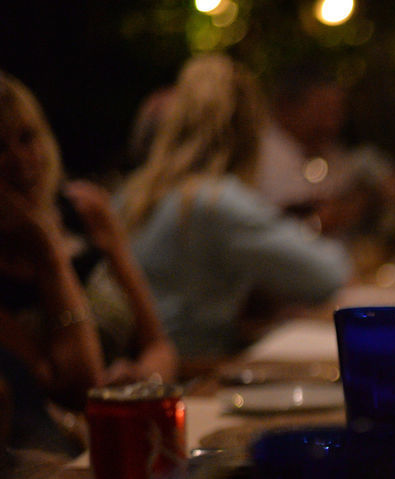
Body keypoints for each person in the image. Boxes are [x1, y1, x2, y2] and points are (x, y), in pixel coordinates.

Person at [119, 54, 350, 362]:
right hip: (192, 371)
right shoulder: (215, 200)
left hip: (140, 372)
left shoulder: (131, 193)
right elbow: (329, 274)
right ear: (248, 131)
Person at [0, 72, 176, 453]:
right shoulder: (31, 256)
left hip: (137, 429)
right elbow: (79, 387)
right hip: (62, 460)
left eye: (27, 138)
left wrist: (146, 379)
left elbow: (159, 343)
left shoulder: (87, 210)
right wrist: (49, 257)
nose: (19, 159)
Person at [253, 64, 395, 239]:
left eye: (337, 112)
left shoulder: (326, 149)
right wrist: (365, 200)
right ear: (285, 108)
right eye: (322, 111)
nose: (332, 123)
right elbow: (311, 221)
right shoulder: (259, 156)